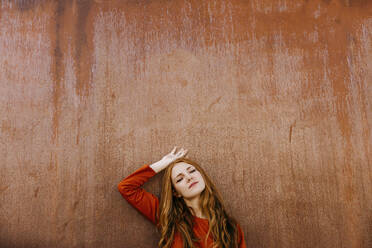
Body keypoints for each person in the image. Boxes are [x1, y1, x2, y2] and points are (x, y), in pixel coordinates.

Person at [118, 146, 247, 248]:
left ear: (202, 176)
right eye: (180, 179)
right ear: (176, 193)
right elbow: (126, 187)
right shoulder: (167, 217)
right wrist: (164, 163)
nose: (189, 177)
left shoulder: (230, 227)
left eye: (192, 171)